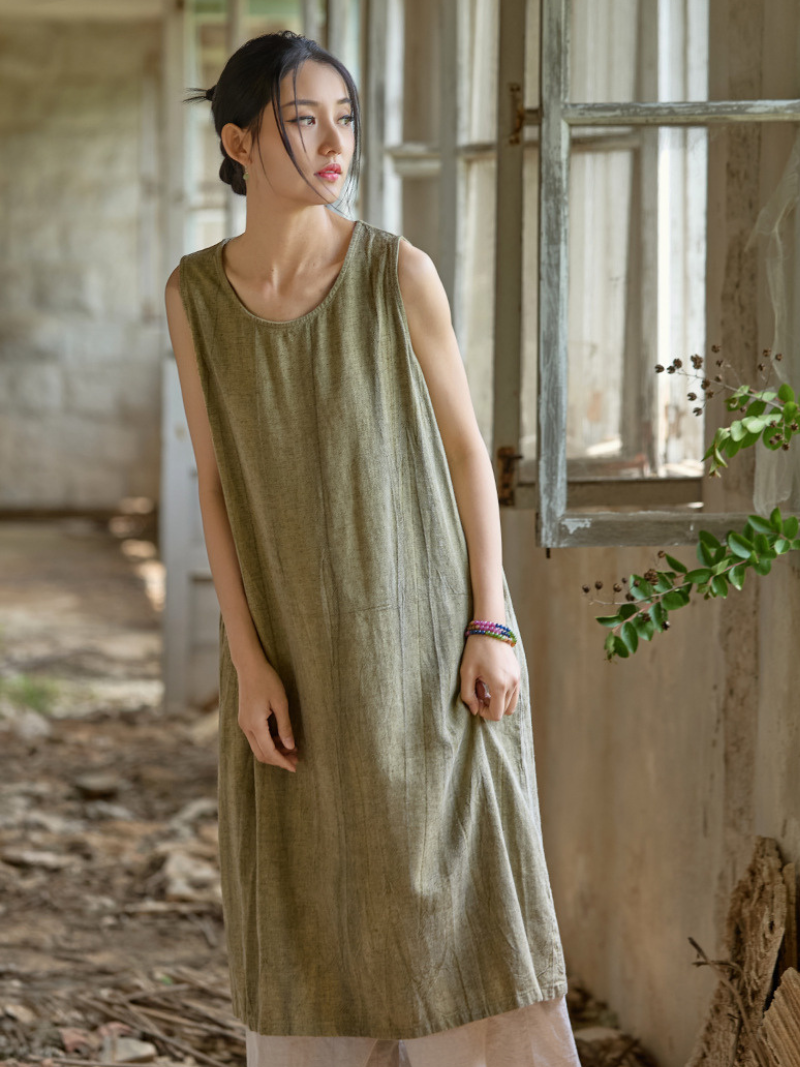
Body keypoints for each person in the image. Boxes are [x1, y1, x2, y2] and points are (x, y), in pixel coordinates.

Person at [164, 29, 581, 1067]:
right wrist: (248, 659)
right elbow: (214, 483)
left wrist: (492, 621)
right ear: (239, 142)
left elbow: (468, 461)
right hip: (290, 663)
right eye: (300, 120)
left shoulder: (397, 272)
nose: (331, 141)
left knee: (466, 922)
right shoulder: (194, 297)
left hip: (428, 653)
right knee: (308, 924)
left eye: (342, 117)